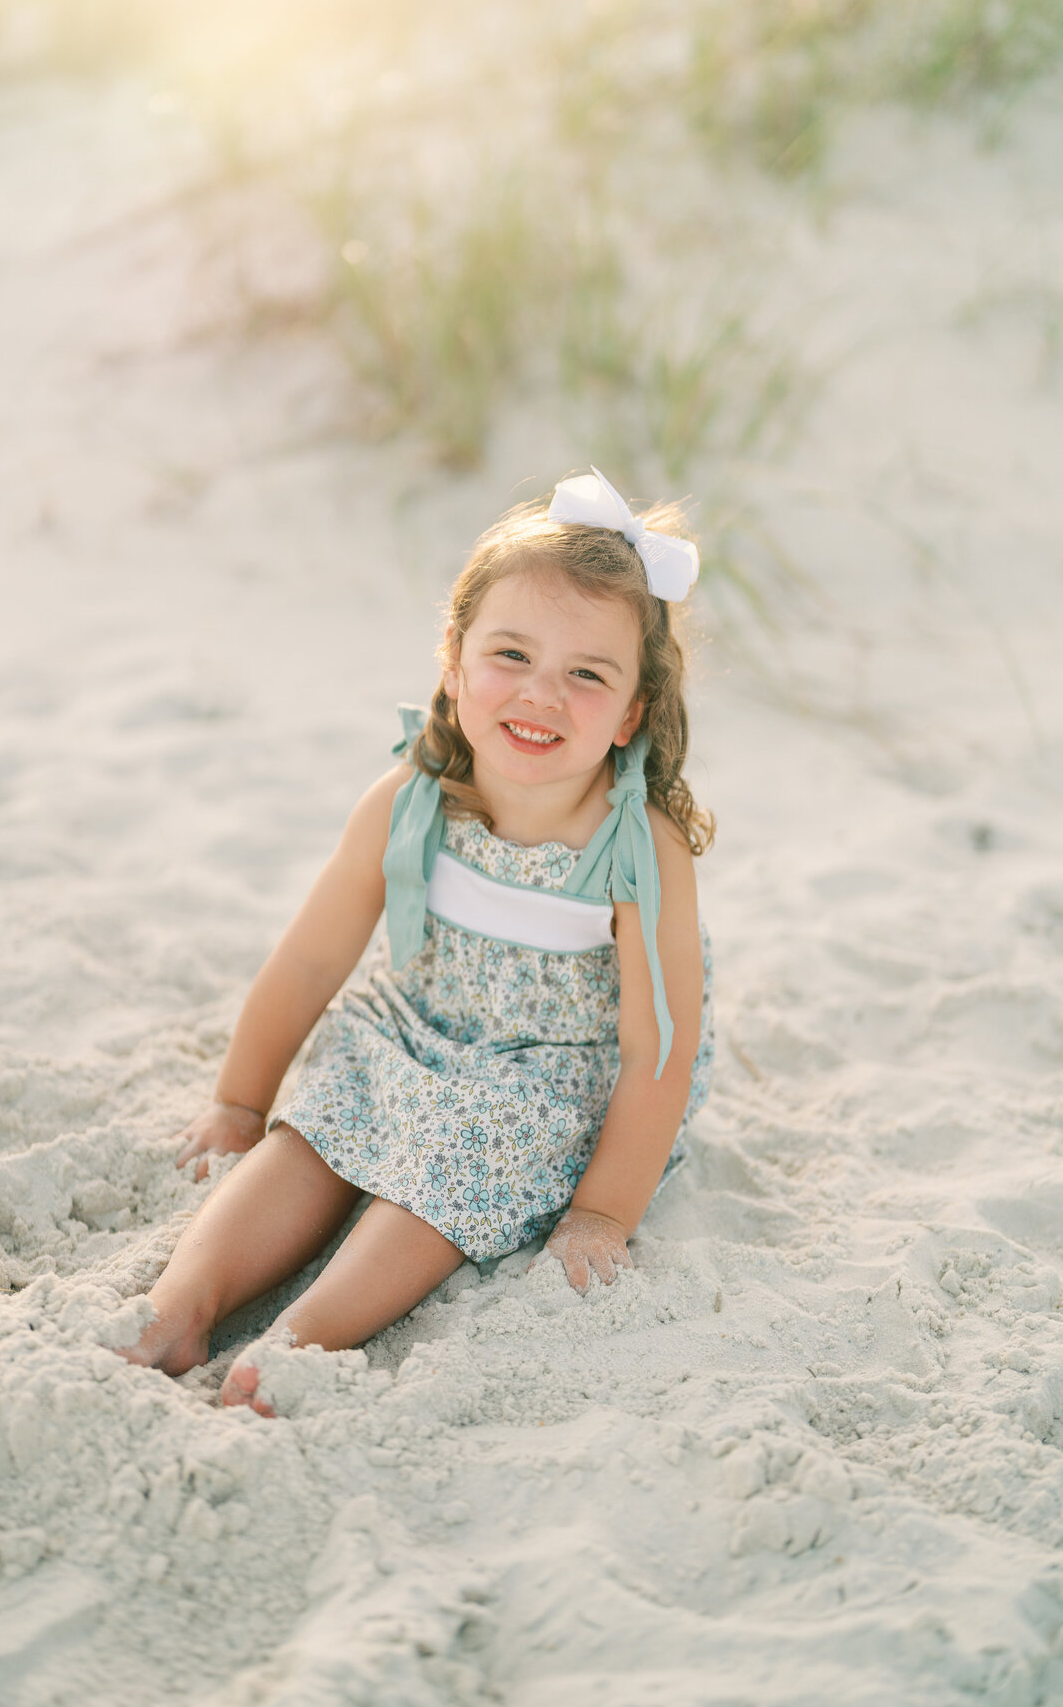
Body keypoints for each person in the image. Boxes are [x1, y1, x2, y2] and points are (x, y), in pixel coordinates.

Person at [118, 468, 715, 1414]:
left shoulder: (637, 848)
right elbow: (311, 960)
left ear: (633, 712)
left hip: (553, 1069)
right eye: (511, 654)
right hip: (414, 1026)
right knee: (316, 1129)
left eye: (587, 674)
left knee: (454, 1158)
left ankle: (299, 1338)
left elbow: (659, 1044)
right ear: (452, 656)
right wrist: (240, 1097)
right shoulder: (409, 802)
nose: (541, 695)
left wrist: (603, 1211)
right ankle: (177, 1306)